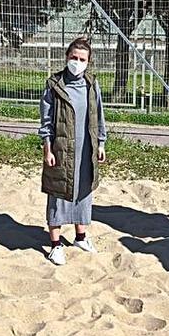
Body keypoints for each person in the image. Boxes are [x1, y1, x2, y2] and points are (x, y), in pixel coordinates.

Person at [38, 37, 108, 266]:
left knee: (83, 192)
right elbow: (46, 121)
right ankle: (56, 245)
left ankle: (80, 237)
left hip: (86, 149)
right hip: (61, 149)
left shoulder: (91, 84)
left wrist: (101, 143)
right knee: (58, 194)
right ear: (66, 57)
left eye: (82, 59)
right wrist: (47, 148)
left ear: (88, 62)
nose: (77, 63)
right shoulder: (54, 84)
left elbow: (98, 116)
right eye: (73, 58)